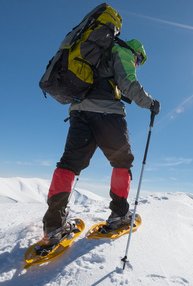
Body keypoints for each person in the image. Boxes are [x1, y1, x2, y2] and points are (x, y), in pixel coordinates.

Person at [42, 39, 160, 245]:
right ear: (136, 51)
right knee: (121, 162)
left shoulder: (93, 54)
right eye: (139, 59)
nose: (137, 63)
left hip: (79, 113)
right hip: (107, 115)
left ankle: (53, 226)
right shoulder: (123, 51)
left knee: (69, 164)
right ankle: (119, 215)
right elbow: (128, 83)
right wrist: (150, 103)